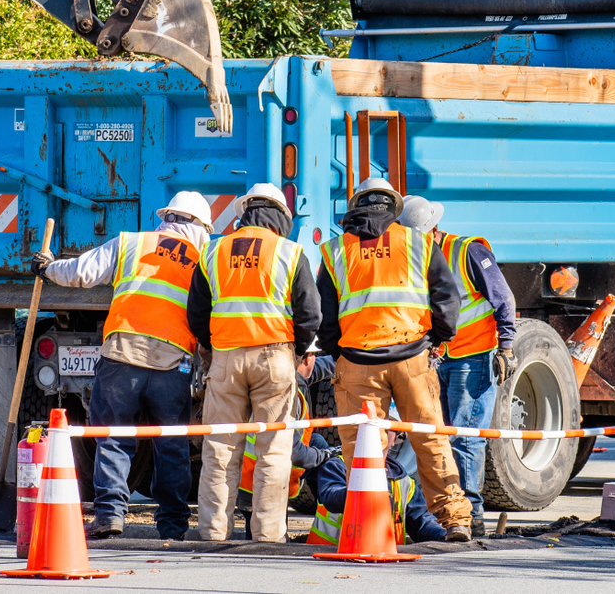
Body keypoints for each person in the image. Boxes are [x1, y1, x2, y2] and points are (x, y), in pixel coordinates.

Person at [30, 191, 213, 540]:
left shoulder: (131, 242)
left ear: (167, 217)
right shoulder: (205, 258)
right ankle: (172, 523)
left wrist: (47, 267)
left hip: (122, 357)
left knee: (113, 436)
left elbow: (82, 272)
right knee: (170, 442)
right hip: (172, 364)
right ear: (202, 226)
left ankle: (110, 515)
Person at [316, 177, 473, 541]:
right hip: (412, 358)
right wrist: (437, 338)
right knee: (430, 439)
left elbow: (324, 314)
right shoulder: (418, 242)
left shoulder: (334, 250)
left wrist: (338, 351)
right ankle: (455, 520)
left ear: (358, 204)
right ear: (393, 207)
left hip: (357, 361)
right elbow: (447, 298)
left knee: (362, 449)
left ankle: (373, 523)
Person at [187, 183, 321, 542]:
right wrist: (295, 352)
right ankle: (268, 535)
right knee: (274, 450)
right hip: (275, 356)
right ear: (281, 217)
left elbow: (197, 313)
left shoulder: (212, 252)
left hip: (226, 358)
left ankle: (213, 531)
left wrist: (212, 349)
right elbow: (310, 313)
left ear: (244, 213)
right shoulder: (290, 253)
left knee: (219, 448)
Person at [400, 195, 516, 537]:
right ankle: (442, 513)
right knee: (437, 438)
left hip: (474, 358)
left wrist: (506, 346)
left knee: (465, 438)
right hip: (440, 360)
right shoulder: (415, 257)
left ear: (433, 229)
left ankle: (472, 515)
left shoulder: (467, 252)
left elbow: (503, 298)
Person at [236, 345, 336, 538]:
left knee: (318, 441)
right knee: (266, 544)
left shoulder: (270, 378)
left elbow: (320, 368)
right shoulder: (289, 397)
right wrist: (324, 456)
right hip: (261, 485)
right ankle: (328, 517)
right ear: (308, 359)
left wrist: (346, 359)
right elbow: (296, 453)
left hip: (248, 479)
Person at [307, 431, 447, 546]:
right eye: (376, 427)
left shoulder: (403, 482)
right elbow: (331, 497)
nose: (378, 433)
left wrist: (442, 536)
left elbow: (421, 522)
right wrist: (363, 490)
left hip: (384, 566)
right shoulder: (337, 466)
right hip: (331, 561)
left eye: (386, 428)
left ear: (395, 439)